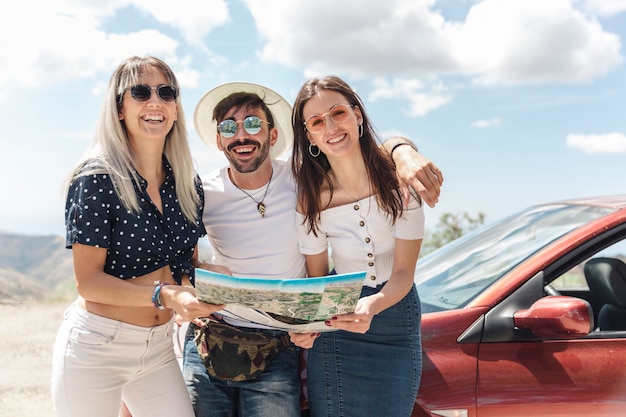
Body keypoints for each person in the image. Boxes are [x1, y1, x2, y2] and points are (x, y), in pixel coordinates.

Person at [184, 82, 442, 417]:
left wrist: (403, 150)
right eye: (229, 128)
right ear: (219, 140)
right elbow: (180, 260)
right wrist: (195, 277)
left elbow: (403, 270)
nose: (241, 135)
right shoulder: (205, 192)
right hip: (238, 333)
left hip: (333, 331)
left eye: (252, 124)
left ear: (273, 136)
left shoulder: (304, 180)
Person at [50, 56, 224, 417]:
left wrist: (216, 281)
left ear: (175, 108)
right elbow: (89, 283)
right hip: (97, 348)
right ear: (119, 108)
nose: (155, 102)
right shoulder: (96, 179)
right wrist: (167, 295)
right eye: (141, 92)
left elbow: (183, 266)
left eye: (166, 92)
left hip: (158, 350)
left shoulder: (188, 185)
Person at [290, 75, 425, 417]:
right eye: (317, 122)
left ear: (357, 115)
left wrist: (373, 305)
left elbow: (404, 272)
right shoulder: (310, 200)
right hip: (338, 325)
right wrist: (307, 326)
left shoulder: (399, 183)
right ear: (310, 136)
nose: (331, 127)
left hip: (396, 318)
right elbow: (317, 278)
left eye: (338, 113)